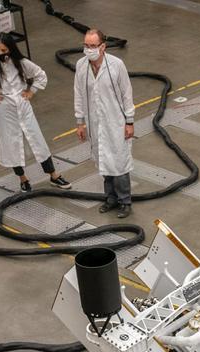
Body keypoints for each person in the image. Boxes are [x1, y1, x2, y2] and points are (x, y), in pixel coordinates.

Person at [0, 34, 71, 193]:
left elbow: (40, 74)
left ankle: (54, 175)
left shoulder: (21, 63)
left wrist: (32, 91)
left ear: (11, 48)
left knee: (37, 139)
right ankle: (23, 179)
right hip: (5, 107)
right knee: (12, 143)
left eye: (4, 49)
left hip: (23, 105)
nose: (1, 53)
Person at [73, 29, 135, 217]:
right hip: (94, 123)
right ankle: (111, 199)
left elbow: (127, 93)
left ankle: (125, 201)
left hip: (116, 122)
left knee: (119, 162)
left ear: (103, 46)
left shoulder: (116, 65)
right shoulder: (81, 66)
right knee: (103, 160)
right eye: (86, 45)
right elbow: (78, 94)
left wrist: (129, 121)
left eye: (93, 46)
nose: (89, 49)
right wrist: (80, 122)